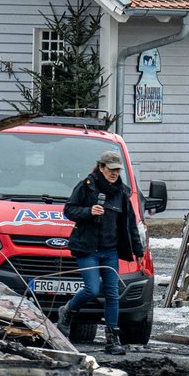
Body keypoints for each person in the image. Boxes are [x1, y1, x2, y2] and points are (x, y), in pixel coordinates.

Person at [62, 149, 143, 355]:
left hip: (110, 251)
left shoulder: (122, 193)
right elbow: (69, 210)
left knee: (112, 294)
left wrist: (138, 250)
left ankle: (112, 340)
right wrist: (88, 212)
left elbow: (130, 224)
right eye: (111, 169)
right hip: (88, 249)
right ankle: (68, 310)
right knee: (92, 289)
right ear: (101, 167)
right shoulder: (86, 186)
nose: (114, 173)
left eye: (117, 170)